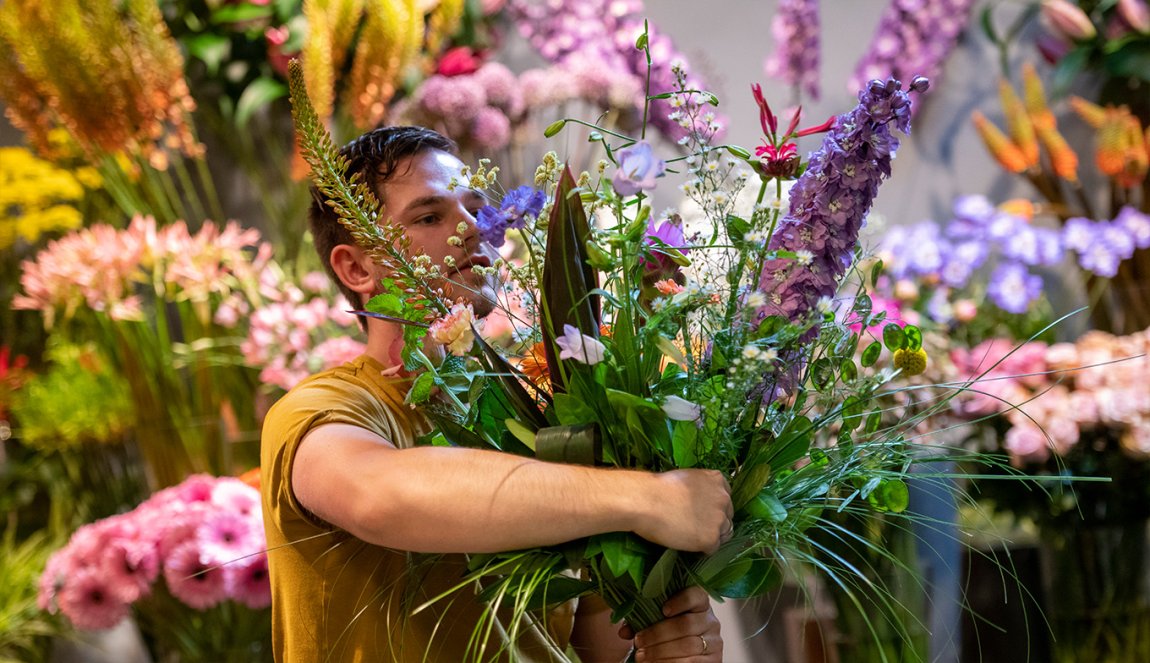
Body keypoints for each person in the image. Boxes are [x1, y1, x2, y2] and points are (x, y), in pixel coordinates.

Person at [260, 125, 733, 663]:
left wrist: (661, 639)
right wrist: (647, 497)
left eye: (477, 206)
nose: (476, 229)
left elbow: (576, 644)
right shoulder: (322, 410)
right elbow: (379, 495)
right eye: (430, 216)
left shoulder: (520, 412)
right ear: (356, 268)